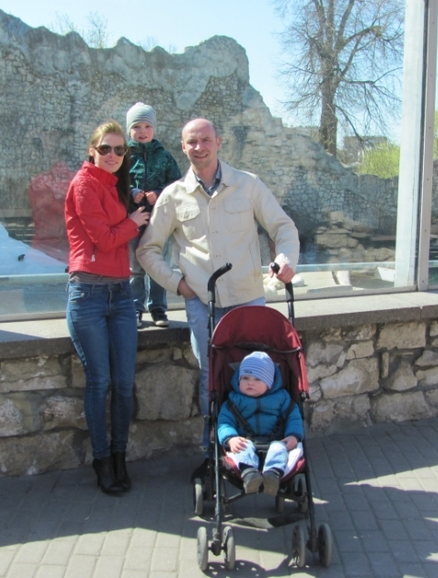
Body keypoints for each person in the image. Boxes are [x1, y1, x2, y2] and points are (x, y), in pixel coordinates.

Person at [136, 118, 300, 480]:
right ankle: (216, 455)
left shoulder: (248, 184)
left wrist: (286, 259)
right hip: (202, 303)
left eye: (205, 139)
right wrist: (177, 283)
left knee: (259, 374)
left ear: (219, 142)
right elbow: (148, 250)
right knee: (212, 378)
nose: (199, 147)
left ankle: (264, 453)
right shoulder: (174, 196)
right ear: (183, 147)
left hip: (248, 298)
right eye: (191, 142)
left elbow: (282, 227)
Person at [64, 120, 150, 495]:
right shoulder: (84, 184)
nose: (113, 155)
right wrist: (133, 221)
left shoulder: (115, 186)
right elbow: (105, 238)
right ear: (92, 150)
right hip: (89, 295)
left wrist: (137, 207)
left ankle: (119, 455)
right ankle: (101, 459)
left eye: (119, 150)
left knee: (124, 384)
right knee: (99, 383)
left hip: (121, 294)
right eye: (105, 149)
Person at [126, 102, 182, 329]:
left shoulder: (165, 157)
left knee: (159, 265)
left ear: (154, 129)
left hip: (161, 221)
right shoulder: (124, 155)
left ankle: (158, 309)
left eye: (147, 126)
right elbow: (115, 184)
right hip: (133, 220)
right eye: (136, 127)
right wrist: (132, 192)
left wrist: (158, 194)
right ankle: (135, 309)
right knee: (135, 267)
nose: (142, 132)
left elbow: (178, 185)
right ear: (129, 130)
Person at [217, 351, 304, 495]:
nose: (250, 382)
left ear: (269, 384)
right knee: (242, 448)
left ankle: (273, 475)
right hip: (245, 440)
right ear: (238, 380)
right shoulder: (233, 401)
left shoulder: (282, 398)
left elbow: (293, 417)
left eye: (257, 379)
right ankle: (250, 474)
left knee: (279, 448)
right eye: (245, 378)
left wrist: (294, 435)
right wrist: (230, 438)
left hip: (276, 440)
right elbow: (224, 422)